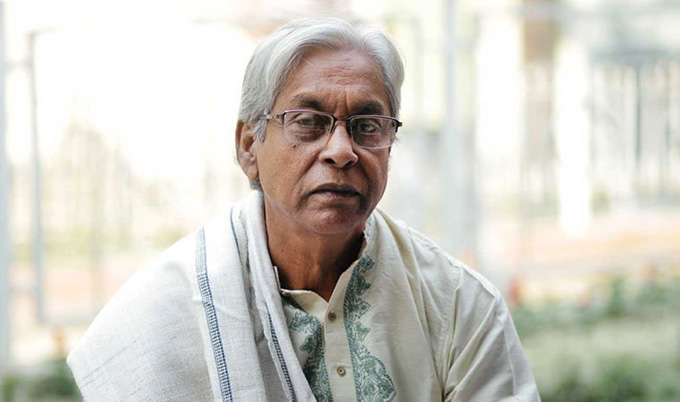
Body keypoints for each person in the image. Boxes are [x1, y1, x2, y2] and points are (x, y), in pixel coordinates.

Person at [68, 17, 540, 402]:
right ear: (249, 146)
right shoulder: (161, 314)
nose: (341, 150)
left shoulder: (458, 305)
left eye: (367, 125)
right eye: (309, 122)